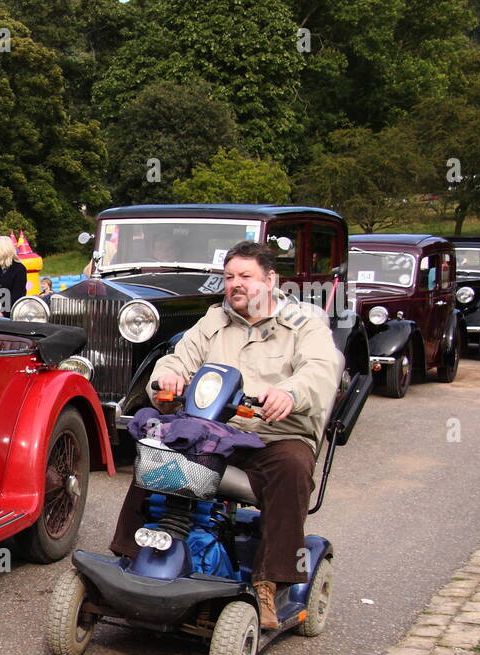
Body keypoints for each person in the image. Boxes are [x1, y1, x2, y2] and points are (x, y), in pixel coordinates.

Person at [109, 240, 342, 628]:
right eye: (229, 277)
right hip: (214, 432)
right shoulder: (213, 321)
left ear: (271, 280)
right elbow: (177, 358)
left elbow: (320, 370)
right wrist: (166, 376)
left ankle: (268, 582)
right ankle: (130, 555)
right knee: (159, 445)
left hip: (273, 435)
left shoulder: (304, 325)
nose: (236, 284)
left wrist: (289, 392)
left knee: (294, 466)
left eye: (245, 277)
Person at [0, 235, 27, 316]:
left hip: (9, 316)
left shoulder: (19, 269)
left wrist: (3, 314)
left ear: (4, 251)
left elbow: (17, 295)